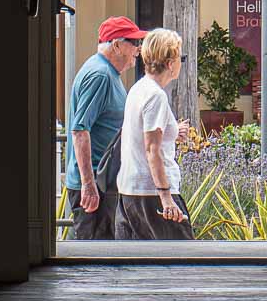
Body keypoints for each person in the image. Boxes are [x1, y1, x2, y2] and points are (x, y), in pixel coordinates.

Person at [65, 16, 144, 239]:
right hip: (96, 187)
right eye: (134, 43)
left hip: (104, 183)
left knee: (105, 251)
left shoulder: (108, 73)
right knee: (95, 254)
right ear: (117, 45)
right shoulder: (100, 75)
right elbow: (80, 130)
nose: (138, 50)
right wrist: (88, 184)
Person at [115, 28, 195, 240]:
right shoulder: (156, 96)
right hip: (152, 192)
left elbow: (143, 135)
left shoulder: (138, 89)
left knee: (137, 257)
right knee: (184, 254)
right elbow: (152, 149)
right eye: (180, 58)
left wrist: (173, 131)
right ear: (170, 64)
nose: (180, 64)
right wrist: (166, 197)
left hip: (130, 189)